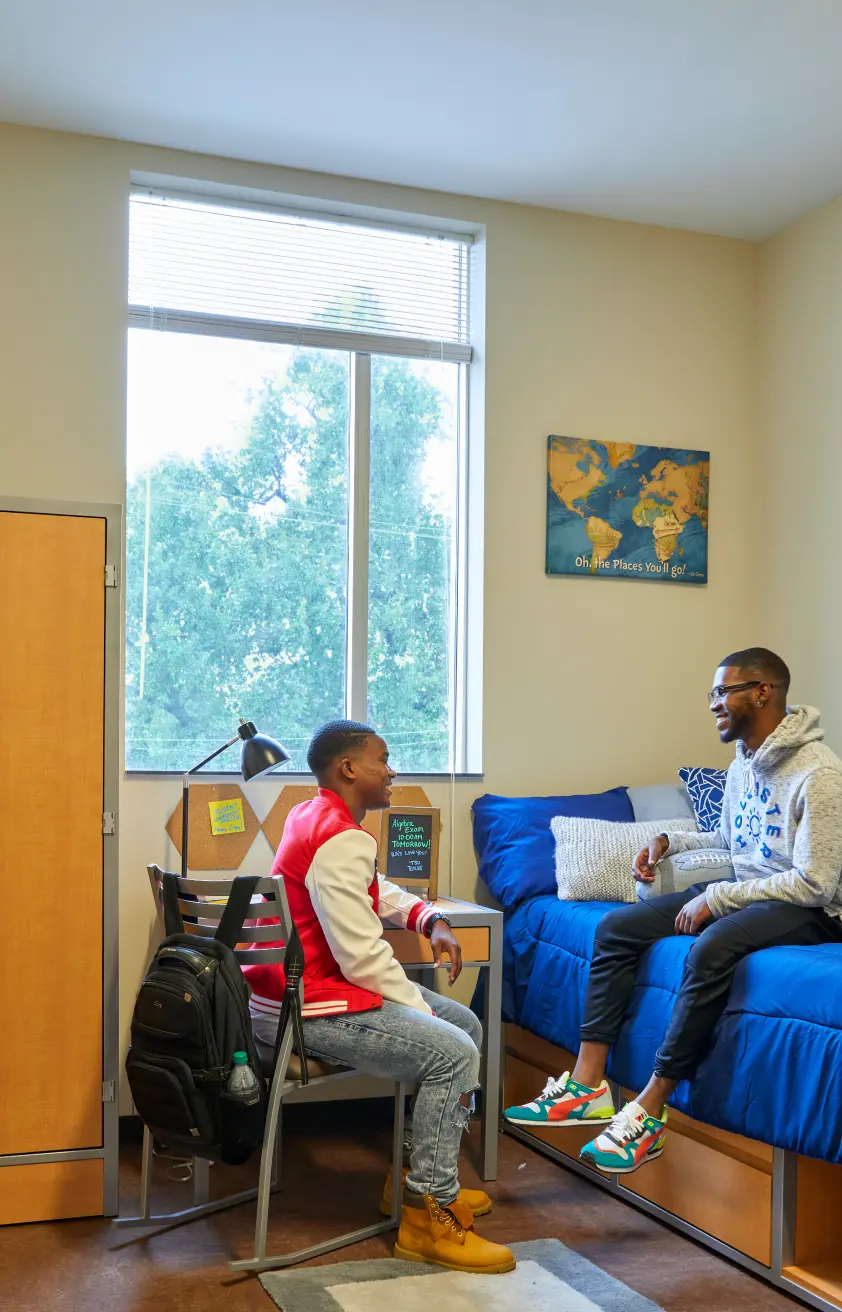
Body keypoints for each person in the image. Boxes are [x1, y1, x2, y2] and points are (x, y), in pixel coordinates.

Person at [505, 648, 842, 1175]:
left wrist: (717, 898)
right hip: (749, 889)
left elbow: (815, 883)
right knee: (616, 927)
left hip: (809, 908)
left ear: (763, 692)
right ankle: (587, 1085)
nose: (713, 704)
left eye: (723, 691)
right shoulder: (744, 762)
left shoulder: (819, 773)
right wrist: (670, 841)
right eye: (712, 693)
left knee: (711, 947)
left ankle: (650, 1107)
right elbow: (730, 841)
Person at [244, 719, 515, 1275]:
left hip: (295, 999)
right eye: (383, 760)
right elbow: (363, 959)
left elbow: (373, 888)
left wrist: (429, 917)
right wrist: (422, 1014)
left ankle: (415, 1178)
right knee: (454, 1050)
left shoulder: (312, 815)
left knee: (466, 1025)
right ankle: (427, 1216)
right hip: (305, 1011)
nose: (392, 771)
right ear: (348, 768)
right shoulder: (340, 836)